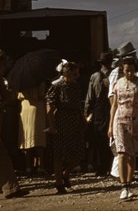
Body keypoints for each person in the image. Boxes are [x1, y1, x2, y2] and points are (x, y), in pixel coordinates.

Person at [0, 49, 29, 199]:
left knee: (1, 153)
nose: (5, 68)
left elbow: (8, 99)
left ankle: (10, 188)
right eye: (3, 65)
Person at [108, 58, 138, 201]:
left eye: (132, 70)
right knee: (121, 152)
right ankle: (123, 186)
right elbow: (114, 106)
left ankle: (129, 183)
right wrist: (110, 125)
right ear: (123, 70)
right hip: (119, 120)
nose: (129, 73)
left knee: (132, 153)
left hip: (136, 121)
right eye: (127, 70)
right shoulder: (118, 84)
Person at [46, 62, 86, 194]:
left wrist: (83, 119)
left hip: (75, 122)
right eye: (75, 74)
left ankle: (66, 173)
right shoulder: (57, 87)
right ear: (67, 74)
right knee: (59, 153)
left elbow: (79, 104)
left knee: (78, 152)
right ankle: (58, 182)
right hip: (62, 122)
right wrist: (51, 125)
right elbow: (50, 108)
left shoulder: (76, 86)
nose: (77, 76)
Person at [84, 52, 113, 176]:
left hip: (99, 108)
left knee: (99, 138)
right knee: (112, 136)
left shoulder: (95, 76)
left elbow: (90, 97)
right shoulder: (115, 75)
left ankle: (101, 166)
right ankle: (112, 166)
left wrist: (87, 112)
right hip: (112, 106)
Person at [18, 80, 47, 176]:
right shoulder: (39, 81)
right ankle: (41, 166)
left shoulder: (21, 81)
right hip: (37, 108)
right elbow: (41, 94)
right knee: (39, 138)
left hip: (25, 108)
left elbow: (19, 96)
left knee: (26, 137)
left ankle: (28, 167)